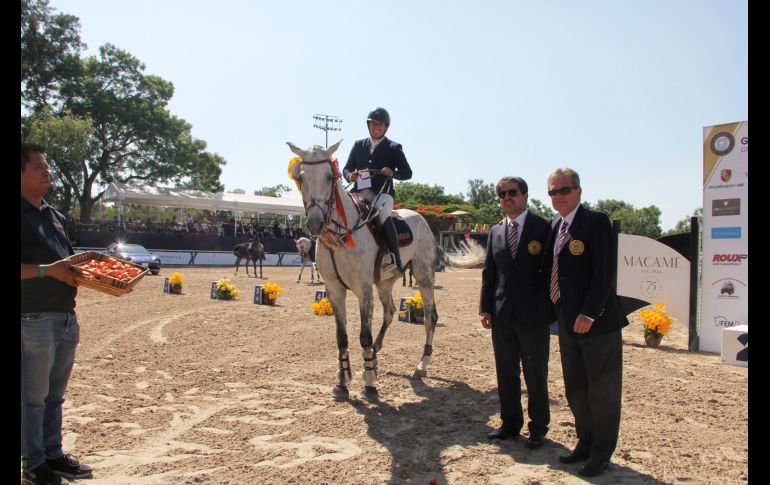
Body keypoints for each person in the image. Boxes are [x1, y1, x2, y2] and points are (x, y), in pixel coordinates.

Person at [544, 168, 629, 477]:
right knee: (575, 387)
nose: (558, 197)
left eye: (563, 190)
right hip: (566, 322)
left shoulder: (595, 222)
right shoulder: (554, 225)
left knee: (602, 391)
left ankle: (601, 454)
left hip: (597, 323)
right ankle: (585, 441)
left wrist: (589, 313)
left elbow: (604, 273)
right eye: (552, 192)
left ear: (578, 191)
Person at [21, 144, 93, 484]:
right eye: (38, 166)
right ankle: (33, 465)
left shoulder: (55, 216)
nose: (47, 171)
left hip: (66, 316)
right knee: (32, 398)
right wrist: (47, 271)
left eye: (47, 166)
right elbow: (51, 267)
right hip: (32, 317)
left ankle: (53, 454)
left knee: (54, 396)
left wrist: (90, 271)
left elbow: (66, 262)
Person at [478, 176, 553, 449]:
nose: (506, 197)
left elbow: (551, 273)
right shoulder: (496, 231)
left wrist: (546, 309)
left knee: (535, 374)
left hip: (534, 316)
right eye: (501, 194)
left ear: (525, 196)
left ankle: (538, 428)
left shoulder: (543, 227)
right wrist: (485, 308)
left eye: (512, 192)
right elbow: (490, 273)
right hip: (502, 315)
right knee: (506, 372)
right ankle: (510, 424)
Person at [343, 107, 412, 272]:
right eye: (373, 124)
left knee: (381, 215)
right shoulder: (359, 145)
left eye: (380, 124)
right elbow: (346, 168)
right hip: (359, 191)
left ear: (386, 127)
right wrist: (349, 176)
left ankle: (395, 258)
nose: (376, 127)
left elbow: (407, 173)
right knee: (342, 210)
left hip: (383, 193)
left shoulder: (394, 147)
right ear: (369, 125)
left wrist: (393, 173)